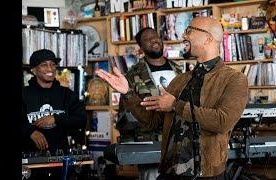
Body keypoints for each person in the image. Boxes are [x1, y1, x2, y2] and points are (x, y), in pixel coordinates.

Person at [96, 17, 248, 179]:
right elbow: (152, 122)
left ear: (208, 39)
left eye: (189, 31)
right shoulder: (180, 80)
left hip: (207, 174)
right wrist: (127, 92)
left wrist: (176, 105)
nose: (184, 35)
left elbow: (222, 122)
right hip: (169, 172)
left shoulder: (234, 79)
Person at [117, 27, 182, 180]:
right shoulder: (133, 73)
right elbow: (126, 112)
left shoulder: (178, 69)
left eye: (155, 36)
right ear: (141, 47)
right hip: (149, 143)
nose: (153, 40)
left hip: (179, 142)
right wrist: (129, 148)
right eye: (147, 39)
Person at [21, 49, 87, 179]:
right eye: (44, 65)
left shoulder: (67, 94)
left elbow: (82, 120)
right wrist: (30, 131)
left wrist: (56, 119)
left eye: (52, 64)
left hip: (61, 161)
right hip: (29, 165)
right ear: (33, 70)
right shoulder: (24, 94)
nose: (50, 68)